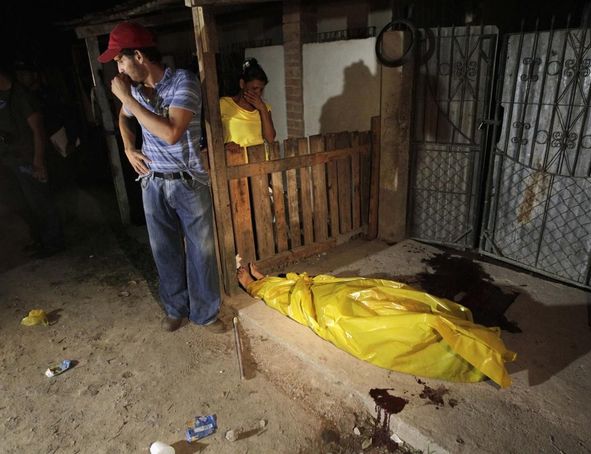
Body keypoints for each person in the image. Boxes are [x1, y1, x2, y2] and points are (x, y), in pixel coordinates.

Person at [98, 21, 225, 333]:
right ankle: (175, 308)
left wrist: (128, 100)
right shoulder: (137, 91)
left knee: (201, 252)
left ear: (139, 56)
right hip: (153, 182)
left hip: (188, 182)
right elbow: (123, 119)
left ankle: (205, 313)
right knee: (164, 252)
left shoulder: (184, 83)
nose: (118, 67)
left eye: (120, 59)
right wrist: (128, 148)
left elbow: (171, 133)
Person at [237, 263, 516, 388]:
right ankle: (268, 282)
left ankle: (259, 286)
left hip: (352, 317)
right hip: (355, 303)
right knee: (335, 291)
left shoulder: (441, 344)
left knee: (314, 304)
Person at [0, 61, 63, 258]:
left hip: (27, 159)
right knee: (23, 203)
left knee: (40, 201)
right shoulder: (4, 97)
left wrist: (38, 161)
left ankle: (53, 242)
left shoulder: (20, 95)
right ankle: (40, 239)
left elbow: (38, 130)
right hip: (10, 159)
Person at [219, 58, 276, 161]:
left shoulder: (265, 107)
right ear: (242, 84)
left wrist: (262, 109)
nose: (258, 93)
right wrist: (224, 146)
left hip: (261, 165)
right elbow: (213, 136)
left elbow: (270, 138)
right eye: (254, 88)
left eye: (261, 89)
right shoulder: (224, 104)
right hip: (235, 162)